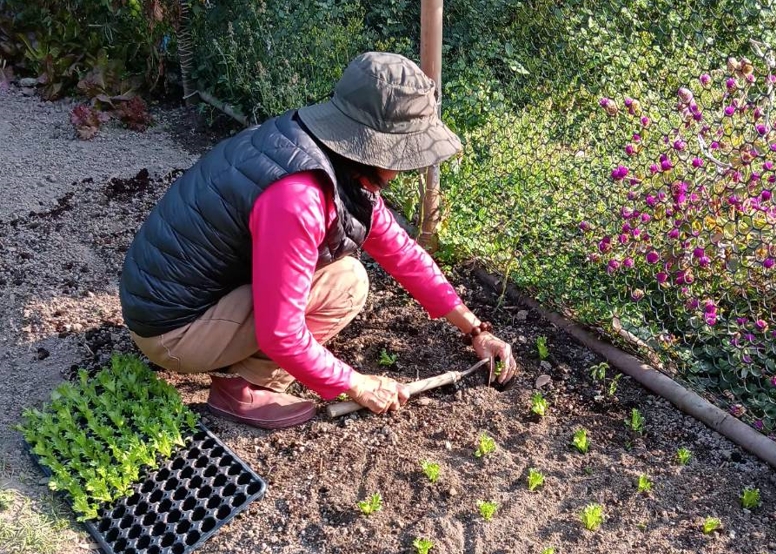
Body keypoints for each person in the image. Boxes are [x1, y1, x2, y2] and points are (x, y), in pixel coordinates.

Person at [119, 52, 517, 429]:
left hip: (176, 298)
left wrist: (475, 329)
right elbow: (282, 333)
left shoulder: (318, 152)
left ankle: (235, 362)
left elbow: (401, 252)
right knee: (347, 285)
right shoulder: (299, 198)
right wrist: (357, 383)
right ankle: (246, 388)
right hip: (172, 332)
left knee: (346, 276)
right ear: (377, 144)